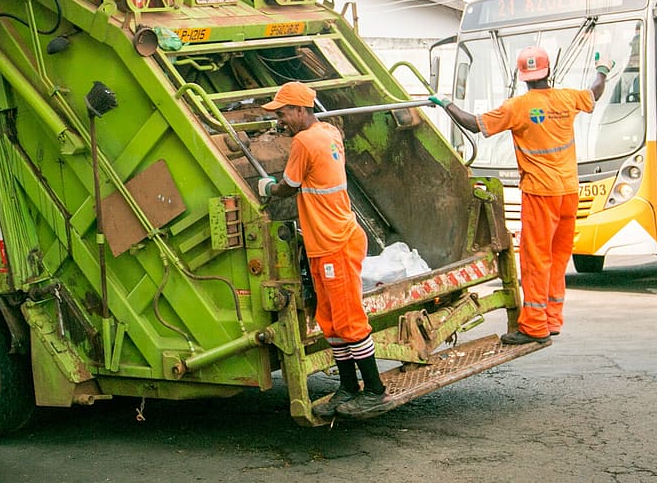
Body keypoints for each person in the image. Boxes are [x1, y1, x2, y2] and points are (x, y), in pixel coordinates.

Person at [430, 47, 609, 345]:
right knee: (558, 257)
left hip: (541, 193)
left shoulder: (518, 107)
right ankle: (552, 319)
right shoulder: (567, 98)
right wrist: (602, 68)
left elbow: (474, 124)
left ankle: (535, 327)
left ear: (522, 76)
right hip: (569, 191)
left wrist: (446, 103)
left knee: (535, 260)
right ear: (548, 71)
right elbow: (595, 91)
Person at [258, 81, 392, 418]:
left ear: (301, 111)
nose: (280, 119)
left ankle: (374, 390)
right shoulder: (329, 131)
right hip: (327, 242)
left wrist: (268, 189)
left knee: (349, 321)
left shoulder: (304, 141)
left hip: (335, 243)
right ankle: (348, 386)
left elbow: (289, 187)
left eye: (284, 112)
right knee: (329, 321)